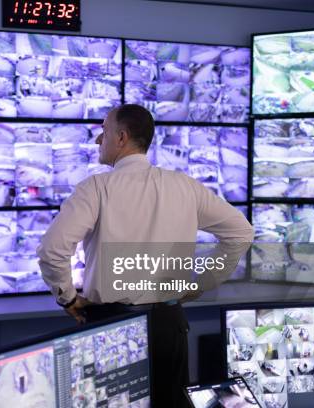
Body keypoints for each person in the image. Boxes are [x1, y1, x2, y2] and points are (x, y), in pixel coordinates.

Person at [36, 104, 253, 408]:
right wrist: (200, 284)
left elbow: (52, 250)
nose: (99, 140)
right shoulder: (183, 186)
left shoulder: (96, 188)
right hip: (169, 324)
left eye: (104, 131)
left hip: (111, 326)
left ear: (121, 137)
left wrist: (67, 297)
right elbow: (241, 233)